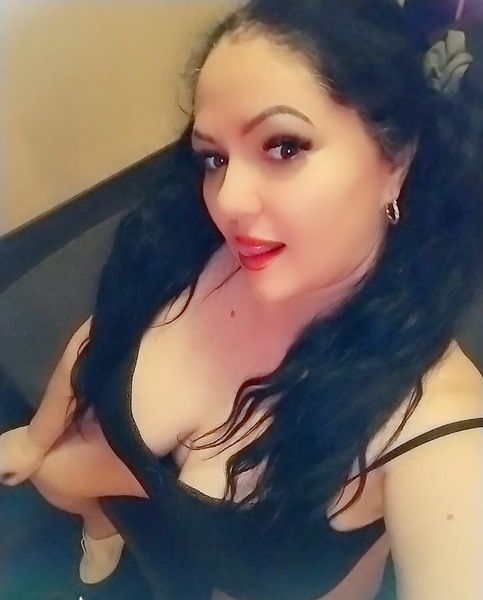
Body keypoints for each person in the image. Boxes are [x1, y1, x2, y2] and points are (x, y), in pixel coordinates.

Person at [1, 0, 483, 598]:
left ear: (396, 160)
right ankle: (104, 530)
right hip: (145, 497)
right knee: (54, 475)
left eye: (283, 147)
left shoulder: (435, 423)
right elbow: (101, 336)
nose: (227, 200)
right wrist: (35, 439)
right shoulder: (194, 240)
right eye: (214, 157)